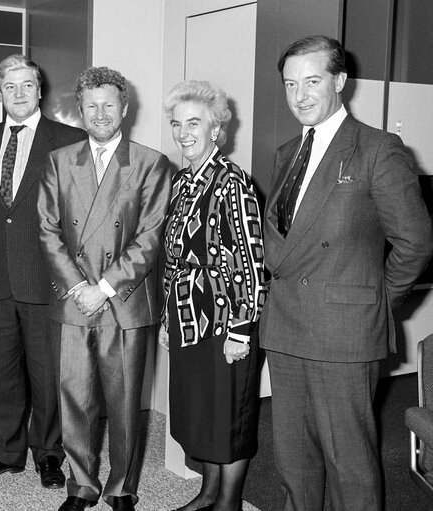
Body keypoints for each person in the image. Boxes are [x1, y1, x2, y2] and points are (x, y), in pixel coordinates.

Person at [260, 35, 433, 511]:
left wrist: (373, 300)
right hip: (285, 325)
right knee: (292, 458)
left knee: (348, 460)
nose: (300, 96)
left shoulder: (377, 148)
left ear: (339, 81)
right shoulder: (285, 154)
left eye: (312, 81)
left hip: (342, 330)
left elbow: (416, 242)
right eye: (290, 84)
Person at [38, 66, 172, 511]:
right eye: (91, 105)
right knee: (74, 399)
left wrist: (105, 287)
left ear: (125, 109)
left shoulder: (151, 163)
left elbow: (150, 236)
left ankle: (122, 488)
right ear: (80, 109)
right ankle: (81, 486)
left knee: (123, 404)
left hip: (124, 302)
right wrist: (80, 286)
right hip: (75, 299)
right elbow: (47, 230)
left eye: (108, 104)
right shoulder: (59, 161)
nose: (100, 113)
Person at [0, 54, 87, 489]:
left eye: (26, 85)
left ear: (39, 89)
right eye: (9, 86)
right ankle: (6, 452)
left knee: (47, 374)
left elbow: (78, 217)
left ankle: (49, 453)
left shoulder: (69, 139)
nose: (18, 93)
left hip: (46, 280)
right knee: (0, 373)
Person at [160, 81, 267, 511]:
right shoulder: (182, 180)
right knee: (201, 413)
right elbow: (172, 255)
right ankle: (208, 492)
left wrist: (241, 329)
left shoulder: (233, 182)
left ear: (216, 129)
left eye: (194, 123)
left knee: (229, 419)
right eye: (176, 123)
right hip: (187, 316)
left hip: (225, 321)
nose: (184, 133)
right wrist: (169, 317)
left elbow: (251, 261)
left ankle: (228, 502)